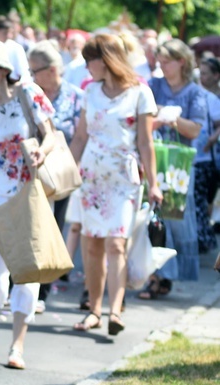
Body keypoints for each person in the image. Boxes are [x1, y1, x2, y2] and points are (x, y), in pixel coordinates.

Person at [0, 39, 56, 369]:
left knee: (27, 272)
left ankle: (17, 345)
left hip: (32, 192)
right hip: (0, 193)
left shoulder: (29, 94)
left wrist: (41, 152)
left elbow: (50, 134)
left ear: (6, 70)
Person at [68, 34, 161, 333]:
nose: (86, 68)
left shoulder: (140, 93)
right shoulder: (90, 92)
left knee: (116, 243)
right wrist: (68, 171)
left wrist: (155, 183)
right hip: (91, 176)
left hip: (123, 177)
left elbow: (146, 143)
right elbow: (80, 137)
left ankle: (116, 311)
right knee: (91, 244)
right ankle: (95, 309)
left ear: (104, 59)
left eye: (88, 61)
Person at [138, 39, 205, 299]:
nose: (161, 66)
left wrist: (171, 118)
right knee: (154, 220)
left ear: (182, 62)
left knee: (176, 221)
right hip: (154, 160)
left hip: (180, 167)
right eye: (160, 61)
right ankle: (156, 277)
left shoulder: (194, 92)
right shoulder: (153, 85)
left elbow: (195, 129)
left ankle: (169, 276)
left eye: (167, 61)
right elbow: (142, 120)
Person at [27, 40, 84, 312]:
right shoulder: (29, 94)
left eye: (34, 70)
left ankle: (43, 290)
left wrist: (66, 163)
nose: (30, 76)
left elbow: (81, 135)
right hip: (29, 170)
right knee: (28, 228)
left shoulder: (75, 97)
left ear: (51, 70)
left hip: (60, 171)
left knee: (53, 228)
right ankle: (22, 285)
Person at [199, 56, 220, 239]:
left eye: (205, 73)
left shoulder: (214, 98)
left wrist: (213, 139)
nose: (202, 77)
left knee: (210, 194)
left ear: (216, 75)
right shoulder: (198, 93)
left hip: (213, 154)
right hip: (204, 154)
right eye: (200, 73)